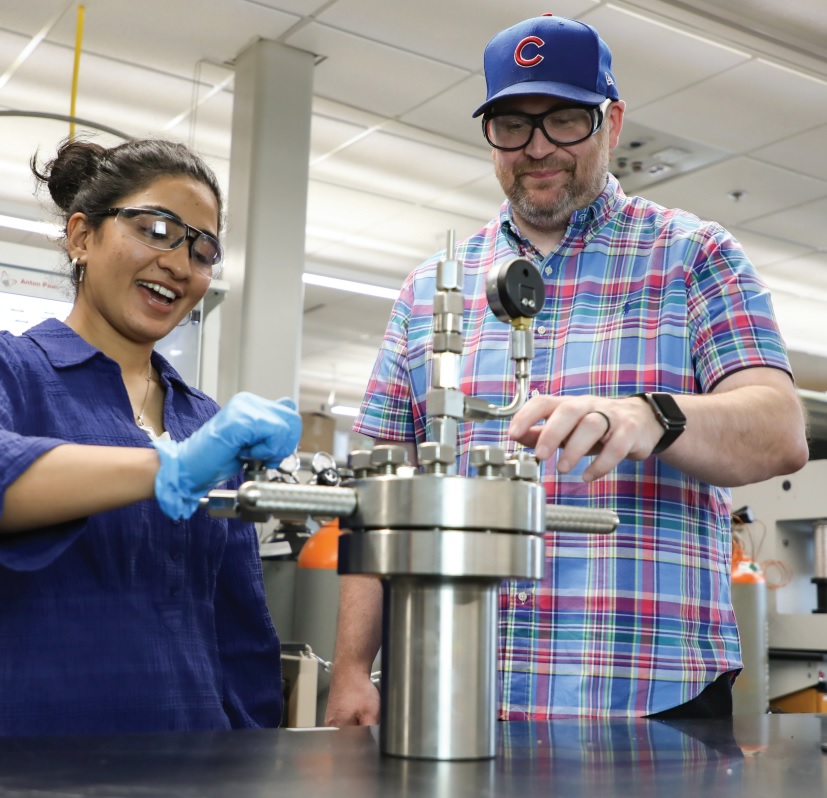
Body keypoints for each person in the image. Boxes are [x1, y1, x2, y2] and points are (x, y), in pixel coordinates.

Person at [325, 14, 809, 724]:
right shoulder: (428, 289)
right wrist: (349, 672)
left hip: (648, 697)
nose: (537, 147)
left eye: (563, 121)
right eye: (512, 125)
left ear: (611, 122)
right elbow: (376, 496)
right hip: (452, 693)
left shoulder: (692, 257)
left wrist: (650, 415)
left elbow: (778, 429)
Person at [0, 137, 301, 736]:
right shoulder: (17, 370)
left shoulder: (205, 422)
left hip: (195, 765)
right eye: (156, 228)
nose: (179, 263)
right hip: (39, 764)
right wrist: (168, 468)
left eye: (202, 247)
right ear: (82, 236)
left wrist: (257, 758)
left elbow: (239, 630)